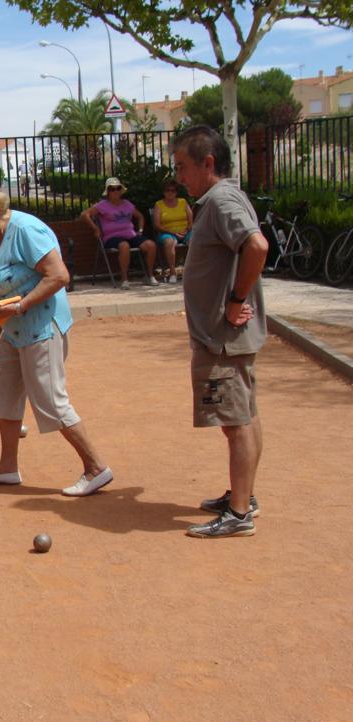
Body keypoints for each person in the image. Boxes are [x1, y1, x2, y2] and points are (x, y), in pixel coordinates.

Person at [0, 180, 113, 497]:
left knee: (50, 400)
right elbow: (2, 292)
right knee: (7, 395)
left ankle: (96, 467)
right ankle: (7, 468)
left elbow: (59, 275)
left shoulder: (26, 229)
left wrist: (21, 306)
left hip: (42, 327)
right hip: (14, 330)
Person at [171, 125, 269, 538]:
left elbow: (257, 246)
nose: (179, 176)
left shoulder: (222, 200)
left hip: (223, 339)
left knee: (234, 421)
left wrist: (234, 300)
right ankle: (243, 496)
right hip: (223, 337)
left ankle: (239, 514)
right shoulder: (220, 199)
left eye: (182, 167)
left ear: (207, 163)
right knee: (243, 414)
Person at [81, 177, 158, 288]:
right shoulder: (102, 205)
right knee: (124, 246)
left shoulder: (127, 203)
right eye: (112, 189)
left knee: (151, 245)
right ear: (108, 192)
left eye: (118, 188)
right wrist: (96, 229)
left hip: (130, 235)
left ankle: (149, 276)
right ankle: (124, 278)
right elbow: (85, 215)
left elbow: (140, 216)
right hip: (112, 237)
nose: (115, 191)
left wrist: (140, 230)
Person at [152, 178, 193, 284]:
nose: (170, 193)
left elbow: (191, 219)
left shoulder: (183, 202)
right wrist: (172, 232)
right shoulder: (159, 205)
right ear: (163, 192)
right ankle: (173, 272)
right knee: (169, 242)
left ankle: (193, 271)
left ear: (176, 192)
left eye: (173, 190)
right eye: (167, 190)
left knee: (195, 239)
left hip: (185, 231)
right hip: (167, 233)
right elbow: (156, 225)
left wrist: (187, 229)